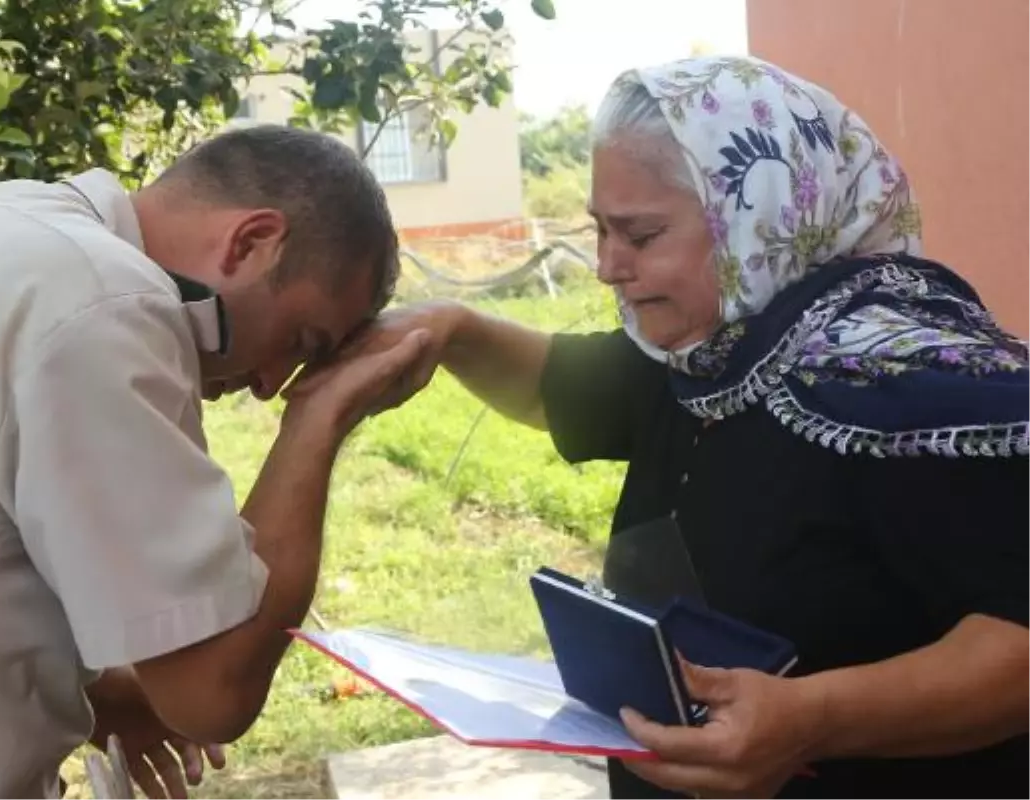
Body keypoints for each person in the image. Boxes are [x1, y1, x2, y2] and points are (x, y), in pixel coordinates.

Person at [289, 56, 1030, 798]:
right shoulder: (714, 352)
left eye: (640, 235)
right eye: (600, 230)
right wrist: (451, 330)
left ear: (759, 215)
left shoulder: (907, 387)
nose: (609, 266)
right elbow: (558, 388)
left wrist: (814, 716)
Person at [0, 124, 435, 800]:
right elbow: (213, 691)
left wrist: (98, 697)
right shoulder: (105, 304)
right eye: (302, 340)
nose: (273, 382)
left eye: (304, 367)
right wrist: (319, 416)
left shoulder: (3, 223)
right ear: (251, 242)